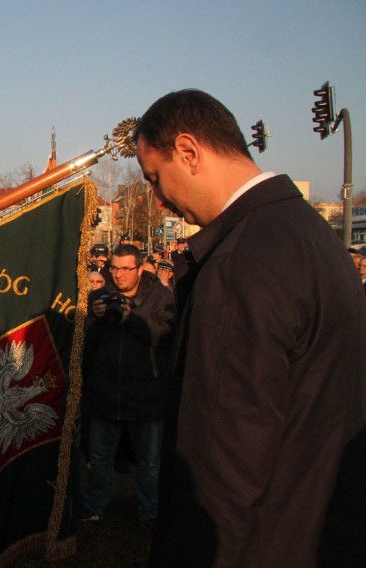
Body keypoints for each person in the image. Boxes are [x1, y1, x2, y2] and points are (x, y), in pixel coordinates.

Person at [135, 89, 366, 567]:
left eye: (156, 179)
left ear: (189, 152)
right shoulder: (309, 233)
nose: (158, 202)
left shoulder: (239, 264)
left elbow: (218, 478)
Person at [80, 244, 175, 528]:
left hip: (146, 394)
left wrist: (129, 319)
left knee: (149, 461)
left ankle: (151, 511)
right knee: (99, 457)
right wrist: (96, 319)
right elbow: (87, 345)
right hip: (105, 392)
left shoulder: (160, 296)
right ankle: (96, 505)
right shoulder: (100, 296)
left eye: (125, 269)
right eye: (114, 268)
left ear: (139, 267)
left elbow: (164, 335)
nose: (119, 275)